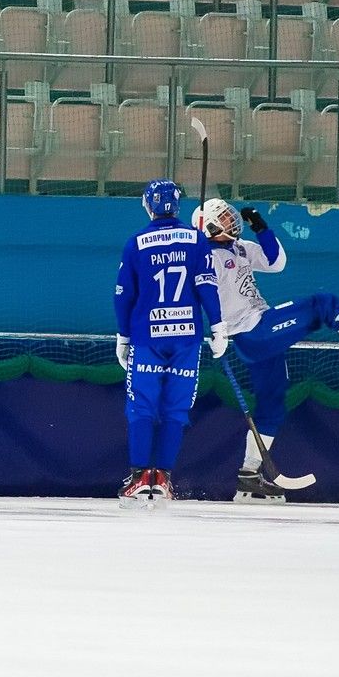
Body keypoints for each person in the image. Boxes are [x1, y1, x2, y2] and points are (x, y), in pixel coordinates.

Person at [199, 198, 339, 501]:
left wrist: (261, 228)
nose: (231, 220)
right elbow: (200, 295)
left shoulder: (240, 248)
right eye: (224, 218)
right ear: (209, 226)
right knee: (323, 304)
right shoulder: (203, 257)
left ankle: (248, 475)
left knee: (272, 405)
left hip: (260, 331)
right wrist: (215, 330)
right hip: (254, 332)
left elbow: (277, 262)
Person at [112, 180, 222, 508]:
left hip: (147, 337)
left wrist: (122, 337)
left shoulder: (136, 243)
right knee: (175, 410)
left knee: (141, 407)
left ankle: (139, 478)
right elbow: (206, 285)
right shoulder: (197, 239)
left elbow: (123, 295)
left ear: (148, 205)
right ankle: (162, 479)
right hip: (187, 338)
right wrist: (218, 326)